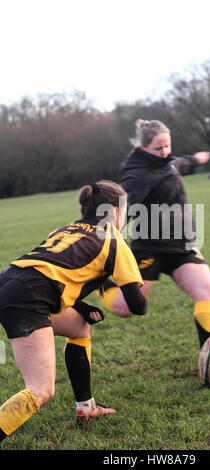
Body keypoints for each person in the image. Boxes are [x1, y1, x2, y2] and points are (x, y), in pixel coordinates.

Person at [0, 180, 146, 443]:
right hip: (29, 298)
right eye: (125, 211)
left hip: (11, 282)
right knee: (41, 390)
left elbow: (54, 269)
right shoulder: (112, 238)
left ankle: (86, 407)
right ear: (114, 211)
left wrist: (79, 304)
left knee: (79, 325)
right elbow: (138, 305)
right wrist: (126, 283)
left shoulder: (68, 229)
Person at [100, 120, 210, 369]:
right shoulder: (138, 174)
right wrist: (110, 235)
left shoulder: (166, 162)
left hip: (182, 246)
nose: (165, 151)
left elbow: (179, 163)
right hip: (150, 248)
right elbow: (124, 206)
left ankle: (209, 358)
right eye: (159, 147)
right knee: (126, 308)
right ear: (144, 147)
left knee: (207, 292)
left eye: (168, 145)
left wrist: (196, 160)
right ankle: (99, 282)